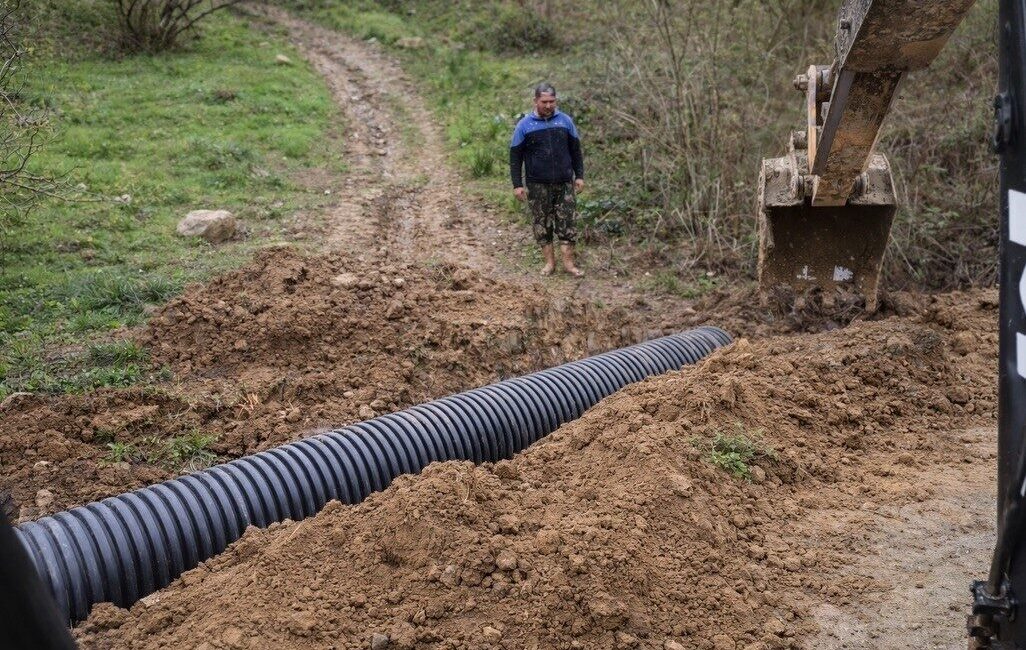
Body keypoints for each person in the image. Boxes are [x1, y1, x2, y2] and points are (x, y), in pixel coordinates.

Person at [509, 83, 585, 277]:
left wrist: (579, 176)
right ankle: (549, 264)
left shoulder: (565, 121)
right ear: (535, 101)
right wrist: (517, 185)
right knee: (542, 224)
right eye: (544, 102)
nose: (549, 105)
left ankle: (569, 264)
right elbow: (515, 156)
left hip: (565, 182)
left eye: (552, 101)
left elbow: (576, 151)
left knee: (567, 223)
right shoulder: (524, 125)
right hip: (537, 184)